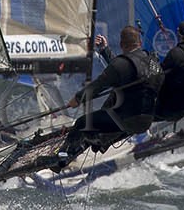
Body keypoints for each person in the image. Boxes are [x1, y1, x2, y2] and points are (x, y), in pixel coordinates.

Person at [57, 26, 162, 166]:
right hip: (146, 121)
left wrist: (77, 99)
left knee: (81, 123)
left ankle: (60, 159)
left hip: (124, 119)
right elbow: (124, 70)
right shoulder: (153, 63)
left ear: (121, 45)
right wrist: (105, 50)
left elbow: (98, 86)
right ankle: (100, 143)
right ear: (140, 43)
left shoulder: (120, 65)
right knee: (107, 124)